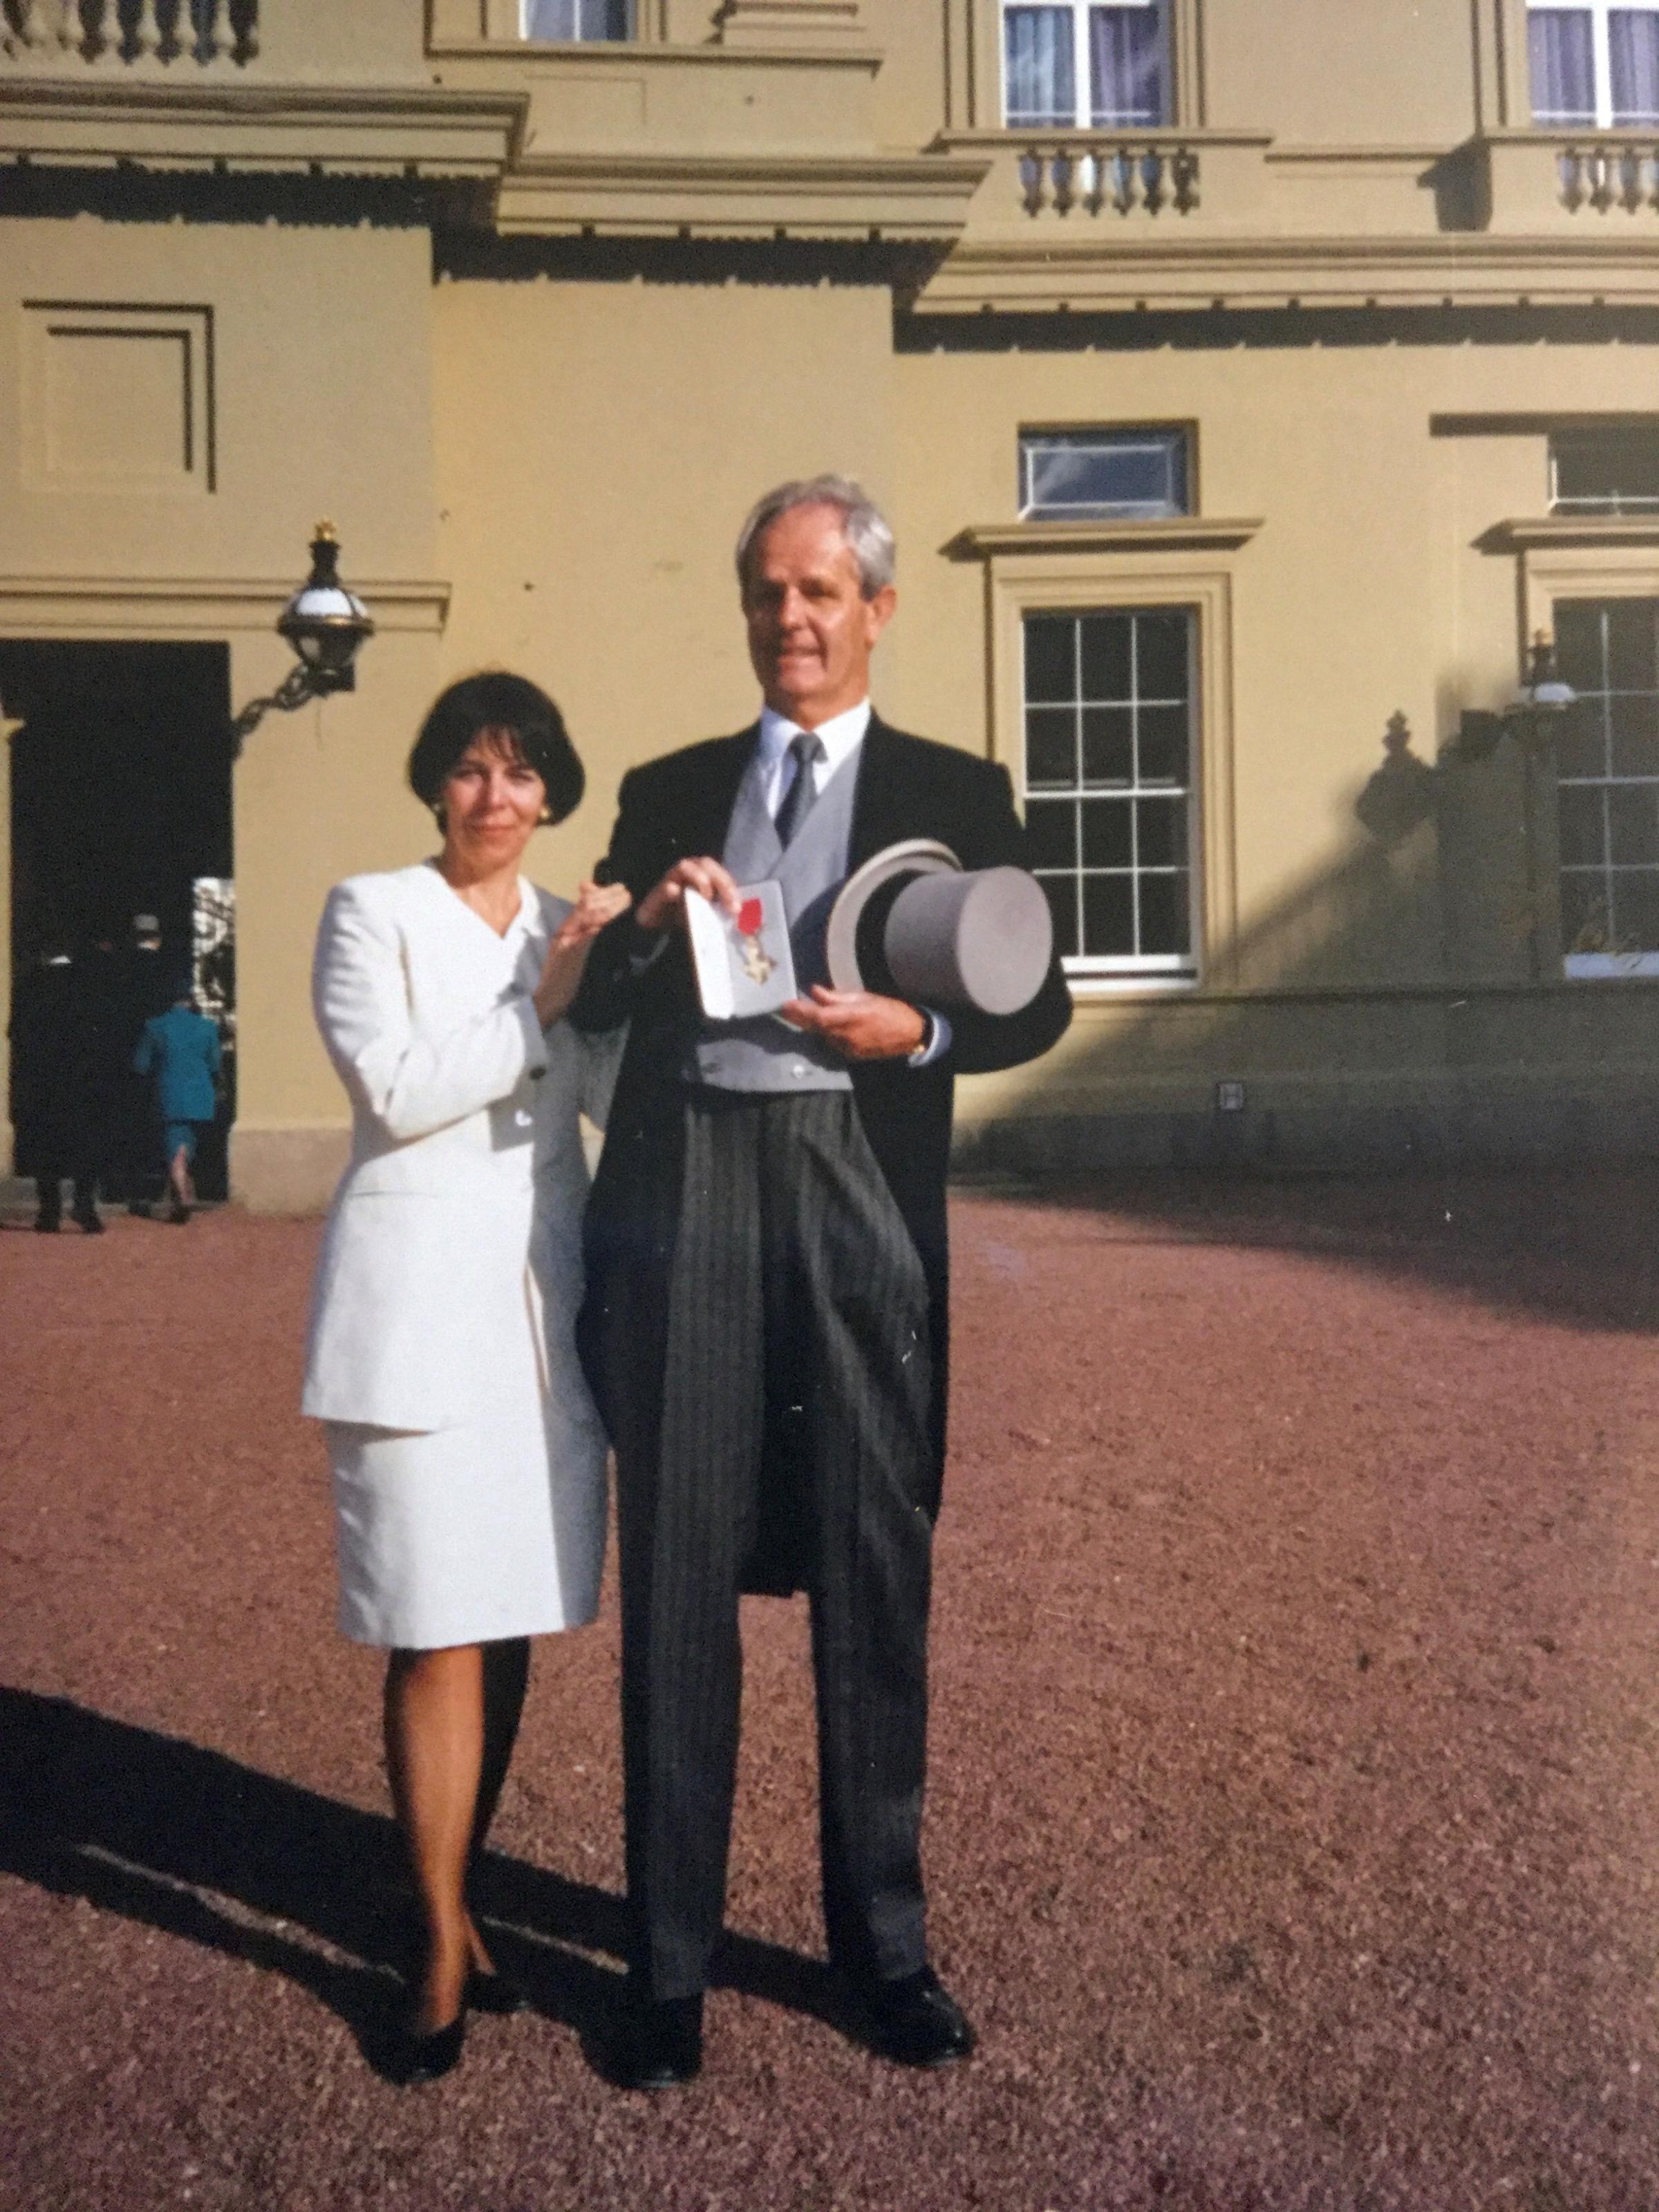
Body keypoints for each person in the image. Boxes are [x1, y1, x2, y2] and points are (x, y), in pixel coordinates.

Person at [574, 476, 1073, 2089]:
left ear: (873, 609)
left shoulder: (951, 786)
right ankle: (664, 1969)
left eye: (815, 592)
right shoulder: (665, 789)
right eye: (764, 594)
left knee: (872, 1566)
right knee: (674, 1577)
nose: (788, 620)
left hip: (859, 1184)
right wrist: (648, 925)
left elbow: (1034, 1002)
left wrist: (914, 1032)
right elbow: (598, 1008)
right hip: (693, 1183)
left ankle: (883, 1950)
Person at [301, 672, 630, 2085]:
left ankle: (464, 1895)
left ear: (554, 790)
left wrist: (688, 961)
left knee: (502, 1622)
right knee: (433, 1627)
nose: (497, 798)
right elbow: (393, 1087)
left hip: (539, 1319)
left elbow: (622, 1089)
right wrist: (546, 1000)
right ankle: (435, 1937)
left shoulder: (578, 925)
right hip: (414, 1314)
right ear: (436, 784)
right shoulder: (370, 910)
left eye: (522, 774)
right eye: (471, 772)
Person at [8, 937, 102, 1233]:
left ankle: (49, 1212)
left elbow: (15, 1033)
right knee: (86, 1145)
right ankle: (84, 1207)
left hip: (42, 1079)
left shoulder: (29, 985)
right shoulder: (86, 984)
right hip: (80, 1077)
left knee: (45, 1147)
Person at [133, 978, 223, 1223]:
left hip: (169, 1095)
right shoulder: (207, 1028)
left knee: (176, 1146)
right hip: (200, 1097)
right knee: (186, 1144)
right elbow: (215, 1065)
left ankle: (182, 1195)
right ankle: (179, 1196)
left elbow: (141, 1065)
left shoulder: (155, 1026)